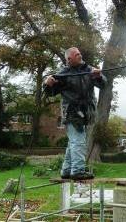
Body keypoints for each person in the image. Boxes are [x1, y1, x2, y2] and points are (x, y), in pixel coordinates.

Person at [44, 47, 107, 180]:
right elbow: (50, 93)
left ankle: (66, 170)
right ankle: (77, 171)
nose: (80, 55)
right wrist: (48, 84)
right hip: (72, 113)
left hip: (86, 113)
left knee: (74, 141)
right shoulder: (63, 74)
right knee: (78, 141)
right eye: (76, 54)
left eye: (80, 53)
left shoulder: (89, 70)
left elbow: (103, 85)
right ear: (69, 59)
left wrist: (99, 77)